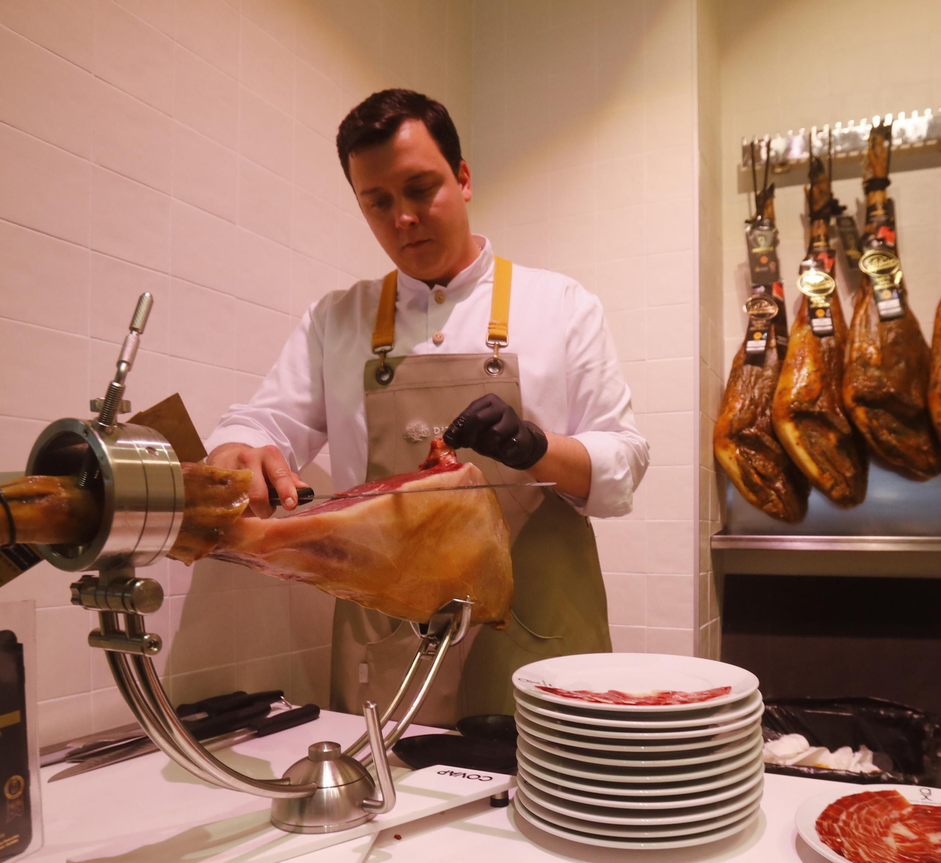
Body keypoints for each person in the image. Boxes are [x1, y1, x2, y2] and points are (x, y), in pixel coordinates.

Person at [203, 89, 649, 724]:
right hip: (390, 645)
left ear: (463, 179)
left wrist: (537, 448)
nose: (403, 218)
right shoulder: (339, 319)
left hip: (539, 634)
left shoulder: (561, 305)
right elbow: (266, 422)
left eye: (420, 189)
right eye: (378, 202)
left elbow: (625, 460)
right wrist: (235, 448)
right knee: (397, 814)